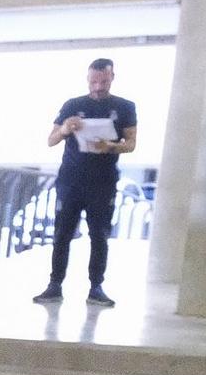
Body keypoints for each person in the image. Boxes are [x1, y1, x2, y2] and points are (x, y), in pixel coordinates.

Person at [35, 58, 138, 306]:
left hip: (103, 181)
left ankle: (96, 286)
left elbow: (131, 144)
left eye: (103, 81)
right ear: (87, 79)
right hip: (71, 180)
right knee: (62, 233)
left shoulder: (125, 107)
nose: (98, 86)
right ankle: (55, 284)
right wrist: (65, 130)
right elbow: (51, 139)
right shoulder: (73, 105)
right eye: (94, 81)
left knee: (99, 235)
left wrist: (110, 147)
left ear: (112, 77)